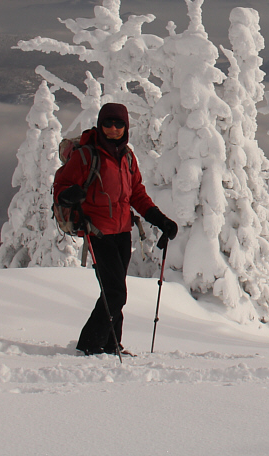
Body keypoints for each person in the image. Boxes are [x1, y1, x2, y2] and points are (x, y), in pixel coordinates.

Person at [54, 103, 178, 356]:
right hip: (97, 232)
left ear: (126, 127)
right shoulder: (86, 156)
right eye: (107, 124)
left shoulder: (127, 157)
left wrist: (160, 220)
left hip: (122, 233)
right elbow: (61, 187)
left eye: (118, 124)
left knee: (115, 290)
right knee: (115, 293)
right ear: (100, 125)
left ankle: (111, 344)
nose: (112, 129)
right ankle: (89, 344)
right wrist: (69, 195)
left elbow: (137, 194)